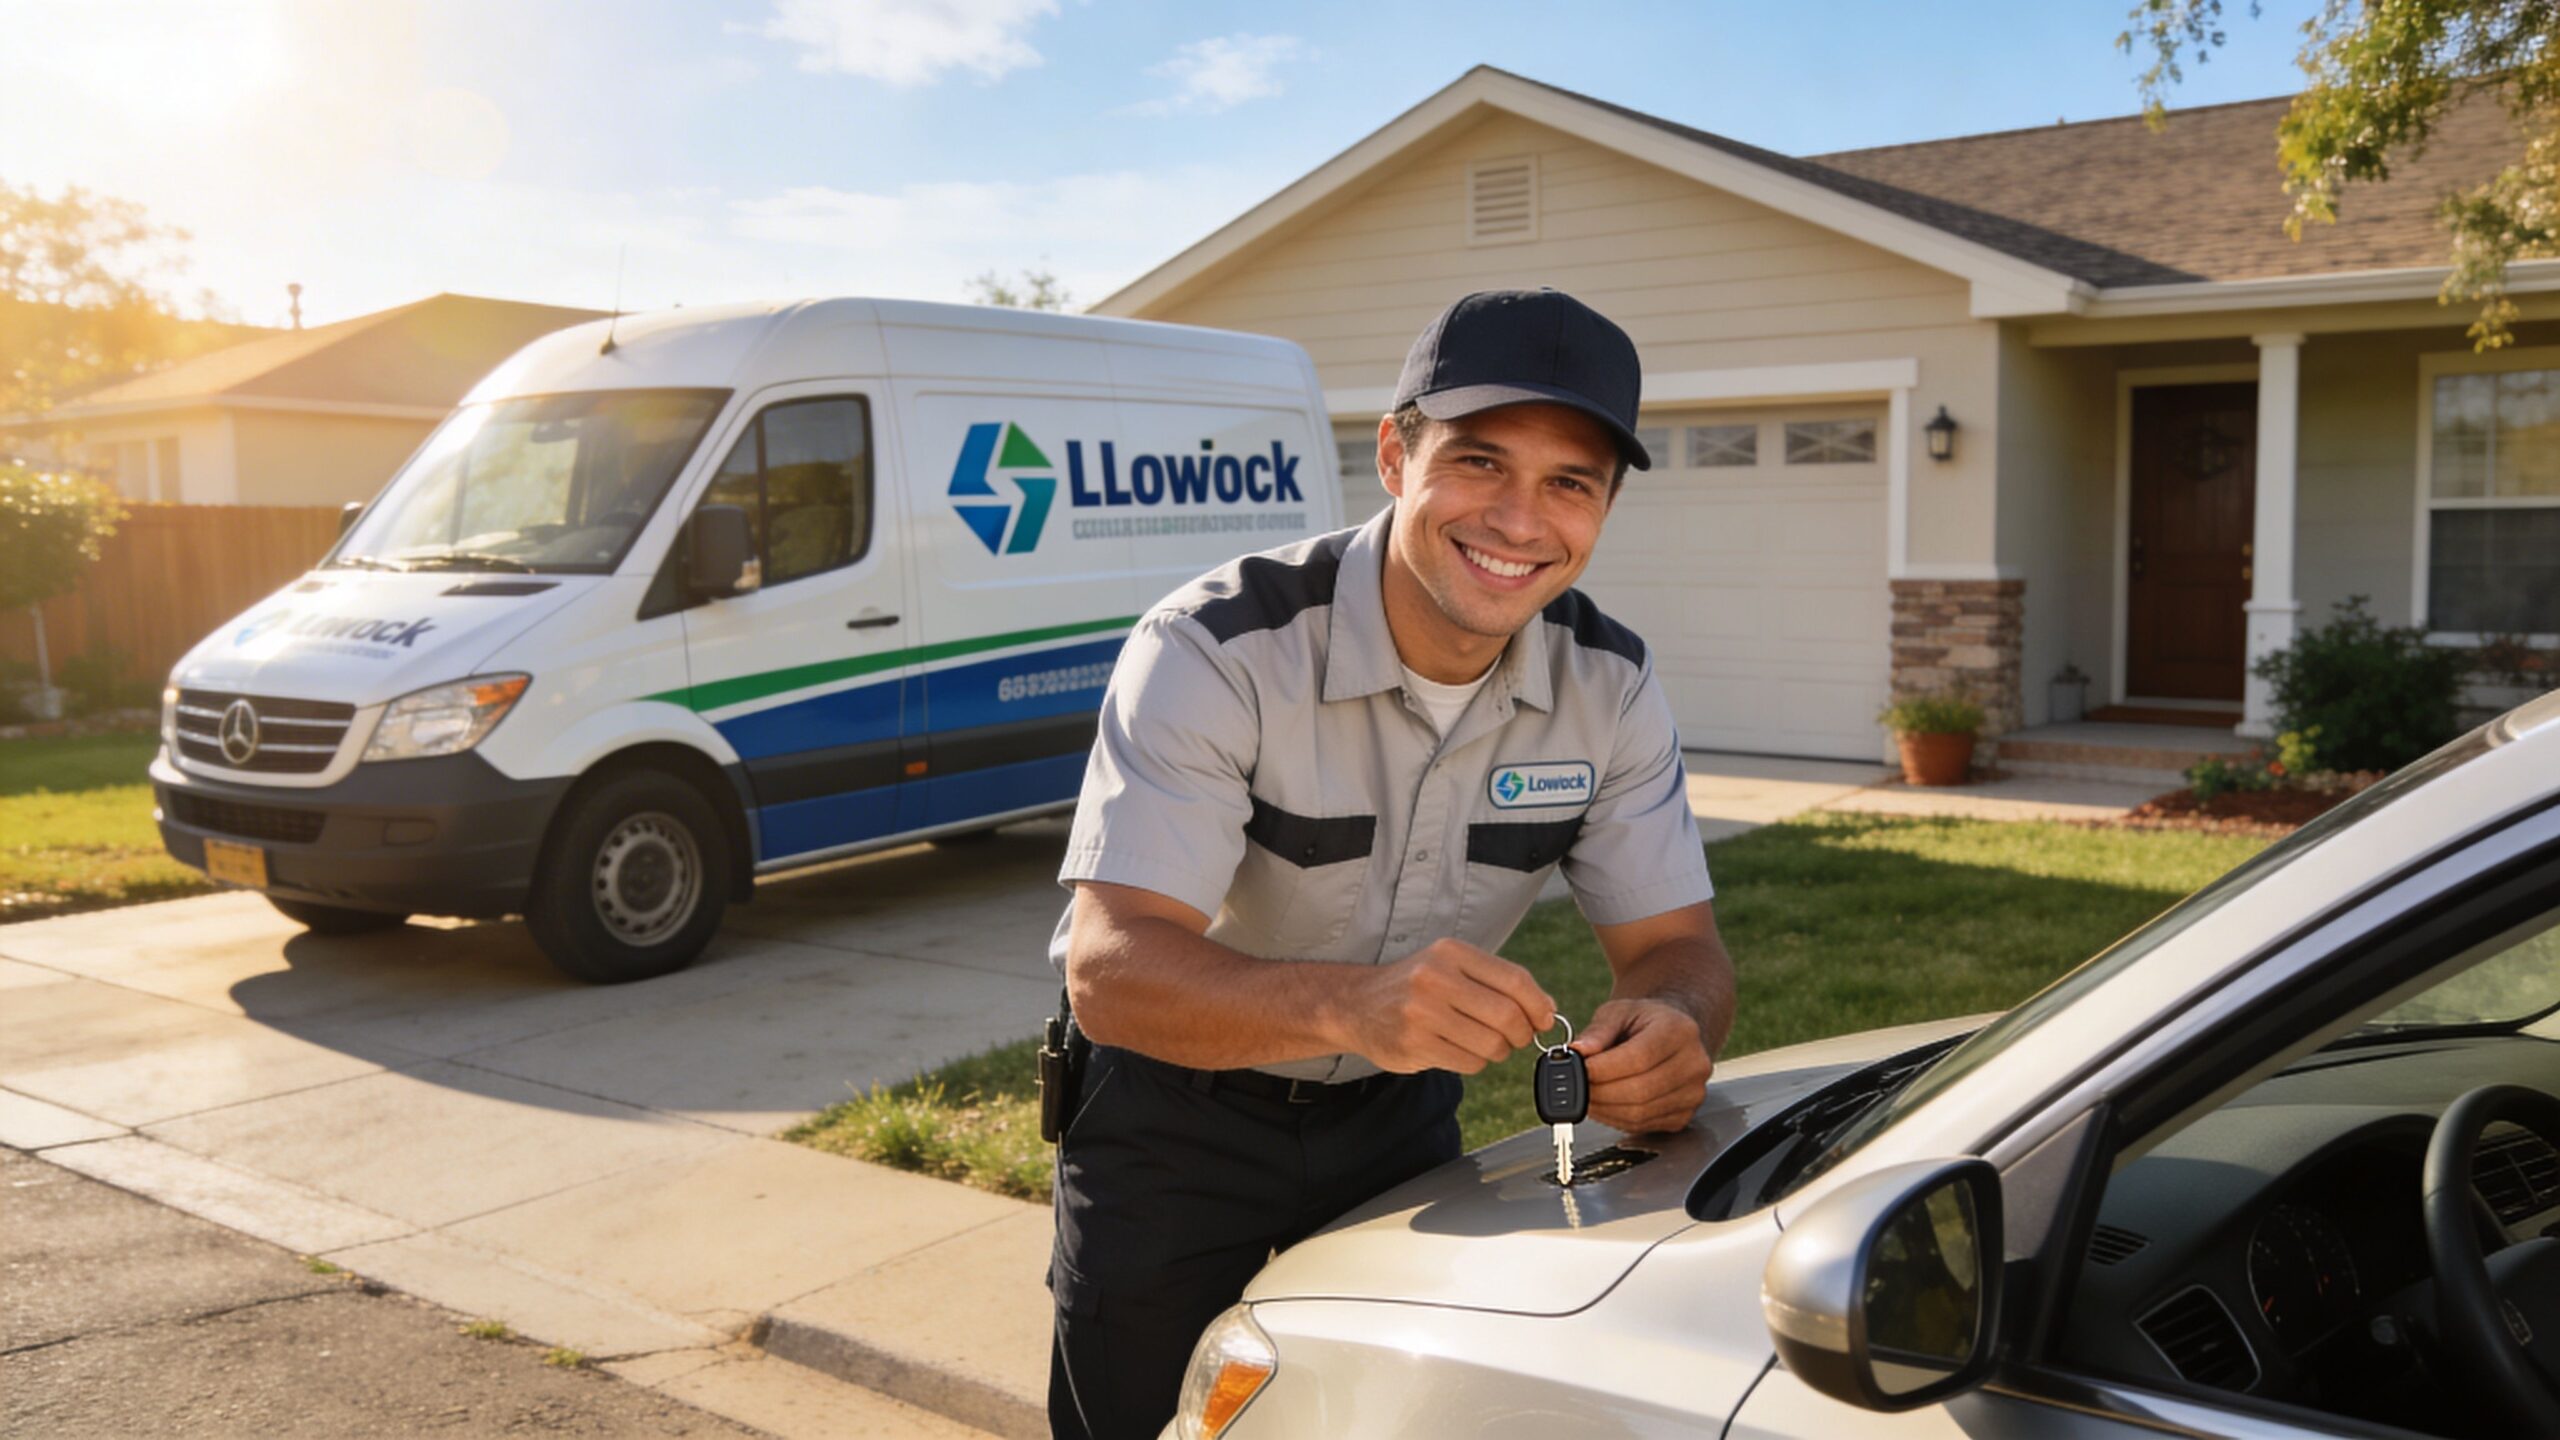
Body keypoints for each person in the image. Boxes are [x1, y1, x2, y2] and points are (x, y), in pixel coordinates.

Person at [1044, 287, 1735, 1440]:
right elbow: (1110, 975)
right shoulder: (1214, 648)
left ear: (1604, 508)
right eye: (1478, 462)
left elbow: (1679, 951)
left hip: (1396, 1118)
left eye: (1570, 483)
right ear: (1393, 455)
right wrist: (1354, 1004)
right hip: (1167, 1113)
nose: (1520, 519)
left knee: (1376, 1420)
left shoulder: (1610, 685)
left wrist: (1674, 1024)